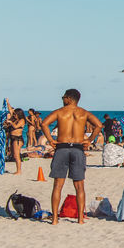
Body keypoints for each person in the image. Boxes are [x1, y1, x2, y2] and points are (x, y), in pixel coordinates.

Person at [38, 89, 102, 225]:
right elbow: (98, 125)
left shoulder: (60, 112)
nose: (62, 99)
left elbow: (44, 124)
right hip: (78, 148)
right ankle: (80, 219)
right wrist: (89, 139)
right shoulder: (83, 113)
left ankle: (55, 219)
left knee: (57, 186)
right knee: (79, 186)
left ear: (68, 98)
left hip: (62, 148)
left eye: (63, 97)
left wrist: (50, 139)